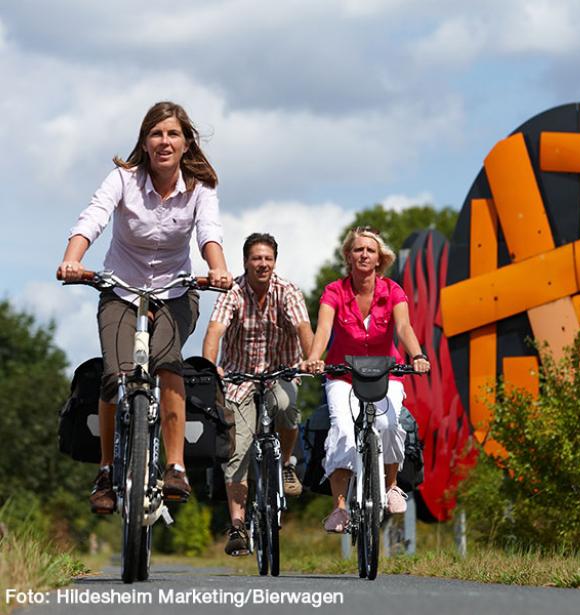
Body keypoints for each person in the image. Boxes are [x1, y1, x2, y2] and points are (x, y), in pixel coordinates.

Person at [57, 101, 233, 513]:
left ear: (187, 143)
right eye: (156, 134)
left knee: (167, 362)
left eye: (172, 134)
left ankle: (175, 466)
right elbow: (93, 217)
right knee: (114, 375)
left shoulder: (199, 188)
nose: (164, 141)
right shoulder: (124, 179)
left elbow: (209, 231)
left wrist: (219, 269)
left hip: (176, 290)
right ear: (145, 141)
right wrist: (72, 258)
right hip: (120, 288)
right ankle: (105, 471)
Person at [301, 226, 430, 533]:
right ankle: (340, 508)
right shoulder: (335, 291)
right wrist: (314, 358)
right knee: (343, 431)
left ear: (379, 258)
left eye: (370, 250)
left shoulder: (392, 291)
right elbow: (323, 330)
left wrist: (418, 355)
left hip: (386, 373)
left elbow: (404, 328)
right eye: (358, 249)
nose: (364, 254)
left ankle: (392, 486)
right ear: (348, 256)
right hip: (342, 376)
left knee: (390, 424)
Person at [203, 232, 313, 555]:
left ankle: (287, 463)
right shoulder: (233, 292)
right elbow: (214, 332)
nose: (262, 264)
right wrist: (211, 367)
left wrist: (312, 359)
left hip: (280, 373)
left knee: (286, 407)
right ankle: (238, 525)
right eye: (256, 258)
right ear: (245, 262)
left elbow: (305, 329)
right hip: (239, 377)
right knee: (237, 448)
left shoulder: (288, 291)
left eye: (267, 258)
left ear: (274, 262)